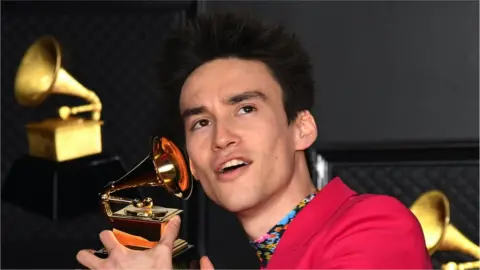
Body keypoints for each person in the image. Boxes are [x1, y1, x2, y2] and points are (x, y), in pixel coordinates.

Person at [77, 12, 433, 269]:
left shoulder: (376, 226)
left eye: (245, 109)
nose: (221, 138)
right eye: (201, 122)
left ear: (301, 128)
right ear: (193, 166)